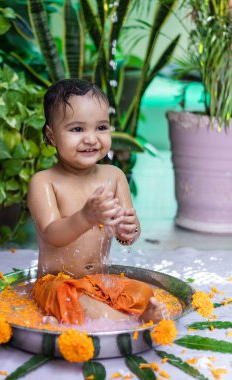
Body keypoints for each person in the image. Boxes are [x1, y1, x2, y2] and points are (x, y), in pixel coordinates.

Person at [28, 79, 167, 325]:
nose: (91, 139)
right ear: (51, 136)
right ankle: (126, 323)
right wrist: (85, 217)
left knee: (142, 292)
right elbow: (52, 234)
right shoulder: (44, 182)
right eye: (77, 129)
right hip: (56, 281)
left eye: (101, 127)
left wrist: (128, 229)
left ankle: (123, 314)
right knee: (70, 297)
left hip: (99, 280)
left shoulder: (114, 177)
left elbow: (128, 236)